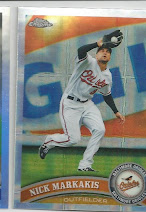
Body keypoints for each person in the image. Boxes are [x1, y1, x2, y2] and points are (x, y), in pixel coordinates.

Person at [38, 32, 125, 172]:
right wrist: (97, 44)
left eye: (108, 51)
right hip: (70, 103)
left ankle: (85, 165)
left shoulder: (107, 76)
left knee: (100, 130)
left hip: (87, 104)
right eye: (102, 50)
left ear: (110, 57)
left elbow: (107, 94)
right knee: (73, 139)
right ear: (96, 54)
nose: (105, 52)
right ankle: (49, 141)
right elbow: (81, 50)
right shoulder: (87, 61)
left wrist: (116, 111)